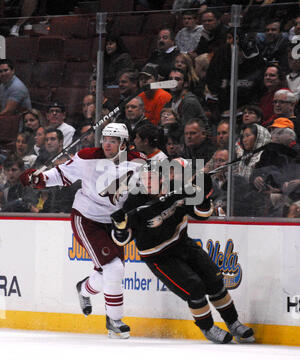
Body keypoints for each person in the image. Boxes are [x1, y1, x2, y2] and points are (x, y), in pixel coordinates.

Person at [20, 123, 145, 339]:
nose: (107, 144)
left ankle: (84, 289)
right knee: (114, 269)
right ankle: (115, 321)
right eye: (105, 139)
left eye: (113, 141)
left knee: (105, 272)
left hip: (116, 222)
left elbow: (155, 183)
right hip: (87, 218)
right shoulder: (87, 157)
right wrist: (38, 179)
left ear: (124, 144)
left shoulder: (138, 162)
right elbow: (60, 175)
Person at [110, 159, 255, 344]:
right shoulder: (134, 202)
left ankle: (234, 323)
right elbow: (122, 240)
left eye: (152, 178)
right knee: (194, 287)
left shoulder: (178, 190)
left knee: (214, 280)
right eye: (144, 179)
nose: (148, 182)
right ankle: (208, 328)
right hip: (158, 256)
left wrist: (201, 195)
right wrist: (120, 228)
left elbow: (203, 214)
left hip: (182, 243)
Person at [166, 68, 209, 132]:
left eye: (177, 79)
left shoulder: (189, 102)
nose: (173, 82)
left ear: (185, 84)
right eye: (170, 79)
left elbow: (185, 131)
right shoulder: (171, 100)